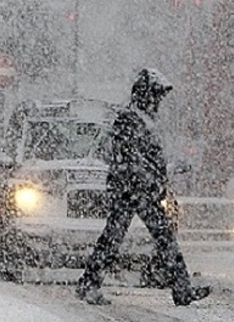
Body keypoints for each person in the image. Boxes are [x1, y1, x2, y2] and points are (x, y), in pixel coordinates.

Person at [76, 68, 210, 306]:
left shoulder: (141, 120)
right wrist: (148, 179)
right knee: (160, 237)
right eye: (157, 96)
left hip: (137, 189)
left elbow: (143, 159)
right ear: (146, 95)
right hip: (134, 190)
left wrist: (163, 171)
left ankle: (90, 282)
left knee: (118, 237)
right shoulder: (130, 119)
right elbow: (131, 158)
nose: (159, 101)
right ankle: (181, 289)